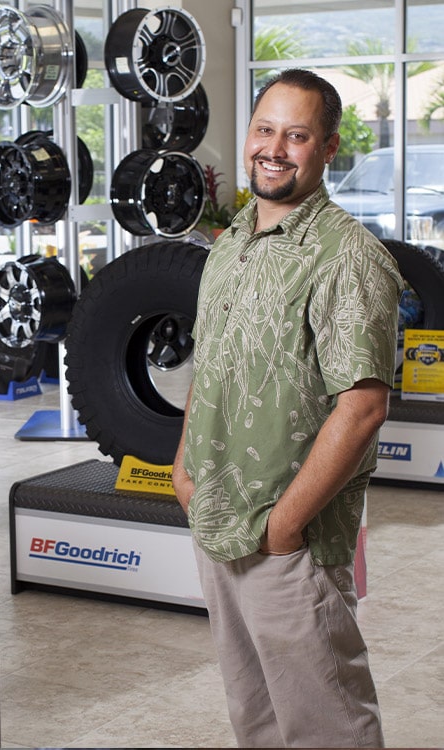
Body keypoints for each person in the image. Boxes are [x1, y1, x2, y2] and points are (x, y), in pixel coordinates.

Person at [172, 68, 403, 748]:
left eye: (296, 135)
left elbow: (361, 408)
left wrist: (286, 524)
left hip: (287, 539)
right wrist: (183, 470)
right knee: (258, 720)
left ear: (328, 148)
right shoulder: (232, 243)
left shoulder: (347, 258)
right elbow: (210, 362)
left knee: (327, 726)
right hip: (216, 518)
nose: (275, 148)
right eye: (265, 130)